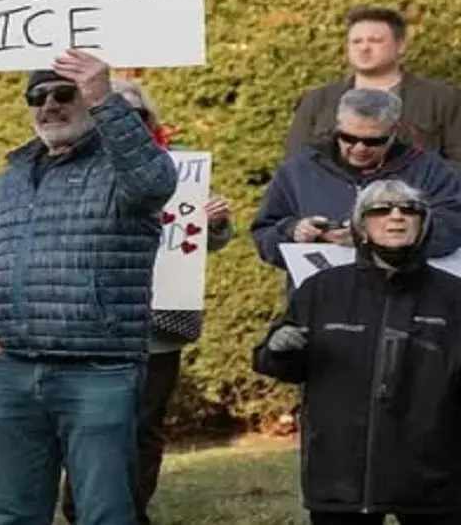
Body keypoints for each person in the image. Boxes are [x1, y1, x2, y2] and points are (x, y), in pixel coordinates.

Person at [0, 50, 178, 525]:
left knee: (104, 512)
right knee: (9, 512)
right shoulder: (15, 175)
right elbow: (0, 255)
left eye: (63, 94)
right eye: (36, 96)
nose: (49, 106)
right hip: (16, 369)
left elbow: (155, 181)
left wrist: (105, 96)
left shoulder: (124, 169)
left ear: (86, 97)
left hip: (97, 370)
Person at [60, 77, 235, 525]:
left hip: (157, 325)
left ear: (150, 120)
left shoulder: (177, 169)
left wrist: (211, 222)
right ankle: (80, 506)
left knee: (144, 424)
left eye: (136, 114)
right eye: (112, 111)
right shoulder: (68, 170)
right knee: (88, 424)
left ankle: (131, 509)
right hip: (91, 321)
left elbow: (196, 247)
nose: (126, 122)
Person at [253, 179, 461, 524]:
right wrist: (280, 349)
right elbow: (273, 365)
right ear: (360, 226)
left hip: (433, 477)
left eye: (409, 210)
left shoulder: (453, 296)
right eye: (381, 209)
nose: (396, 217)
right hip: (341, 477)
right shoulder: (322, 290)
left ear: (424, 224)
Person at [253, 88, 461, 280]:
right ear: (337, 127)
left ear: (394, 132)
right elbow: (264, 236)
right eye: (348, 138)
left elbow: (452, 229)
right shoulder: (299, 169)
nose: (359, 148)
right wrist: (294, 231)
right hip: (324, 302)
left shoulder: (428, 169)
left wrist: (371, 236)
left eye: (373, 141)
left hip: (408, 299)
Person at [284, 5, 461, 168]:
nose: (364, 48)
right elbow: (296, 165)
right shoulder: (318, 101)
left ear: (400, 46)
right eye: (356, 41)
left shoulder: (442, 99)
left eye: (375, 41)